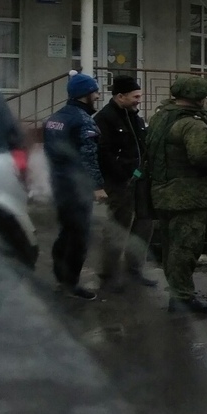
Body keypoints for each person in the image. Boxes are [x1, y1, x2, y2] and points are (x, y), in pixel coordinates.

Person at [145, 76, 207, 314]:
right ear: (200, 99)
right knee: (186, 248)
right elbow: (202, 156)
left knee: (172, 247)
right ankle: (182, 297)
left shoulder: (160, 117)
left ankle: (178, 293)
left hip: (163, 192)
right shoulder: (191, 124)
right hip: (187, 196)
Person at [42, 73, 107, 299]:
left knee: (65, 232)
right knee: (79, 236)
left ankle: (61, 278)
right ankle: (71, 283)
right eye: (95, 92)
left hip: (59, 184)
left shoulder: (55, 118)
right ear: (85, 95)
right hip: (76, 187)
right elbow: (88, 157)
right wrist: (97, 186)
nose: (97, 96)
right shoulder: (83, 120)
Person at [92, 75, 156, 288]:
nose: (139, 100)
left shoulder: (135, 117)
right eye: (135, 96)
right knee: (117, 227)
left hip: (140, 180)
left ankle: (135, 270)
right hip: (120, 183)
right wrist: (120, 175)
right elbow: (102, 152)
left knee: (144, 223)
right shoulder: (105, 118)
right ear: (120, 96)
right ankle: (108, 275)